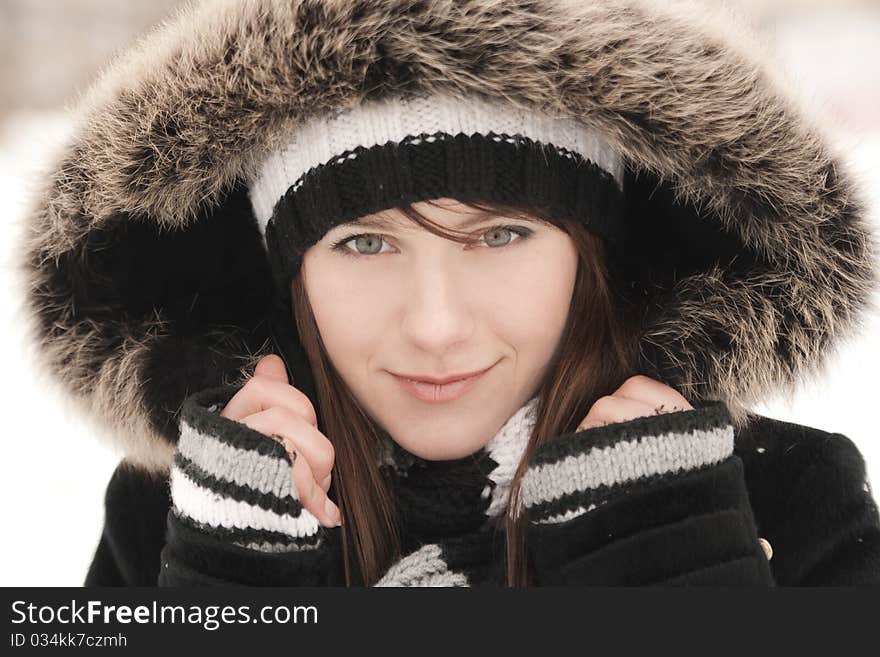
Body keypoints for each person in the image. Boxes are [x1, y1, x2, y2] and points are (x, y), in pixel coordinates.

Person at [17, 0, 880, 586]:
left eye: (500, 235)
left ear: (593, 258)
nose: (435, 327)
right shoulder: (179, 512)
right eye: (364, 242)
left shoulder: (786, 495)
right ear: (291, 271)